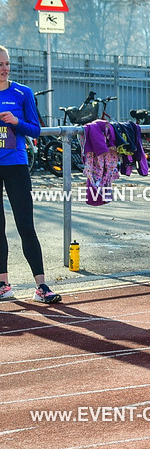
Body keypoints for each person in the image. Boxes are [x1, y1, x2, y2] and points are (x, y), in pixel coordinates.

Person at [0, 45, 59, 304]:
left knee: (26, 225)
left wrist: (16, 122)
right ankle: (3, 284)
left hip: (16, 165)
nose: (4, 69)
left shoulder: (23, 92)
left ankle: (41, 286)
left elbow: (36, 130)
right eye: (0, 65)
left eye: (7, 64)